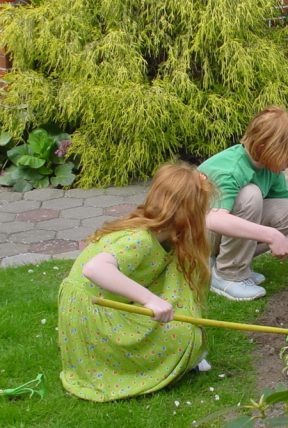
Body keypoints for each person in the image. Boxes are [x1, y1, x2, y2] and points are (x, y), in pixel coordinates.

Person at [57, 162, 215, 402]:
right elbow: (94, 268)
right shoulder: (140, 238)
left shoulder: (156, 230)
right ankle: (135, 363)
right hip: (94, 312)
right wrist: (151, 300)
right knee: (183, 335)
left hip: (102, 302)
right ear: (187, 213)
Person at [200, 106, 288, 301]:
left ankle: (234, 265)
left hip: (215, 237)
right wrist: (271, 235)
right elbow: (213, 219)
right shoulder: (231, 170)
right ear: (264, 148)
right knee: (251, 195)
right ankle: (227, 275)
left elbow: (284, 205)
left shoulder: (270, 168)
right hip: (195, 237)